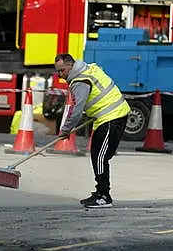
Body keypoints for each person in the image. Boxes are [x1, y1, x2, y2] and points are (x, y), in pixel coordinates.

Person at [54, 53, 130, 208]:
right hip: (107, 116)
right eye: (58, 71)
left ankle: (104, 196)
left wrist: (66, 129)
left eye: (62, 70)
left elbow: (77, 109)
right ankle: (100, 192)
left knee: (101, 157)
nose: (60, 75)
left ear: (71, 65)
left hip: (112, 116)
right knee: (97, 154)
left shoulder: (80, 81)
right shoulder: (88, 69)